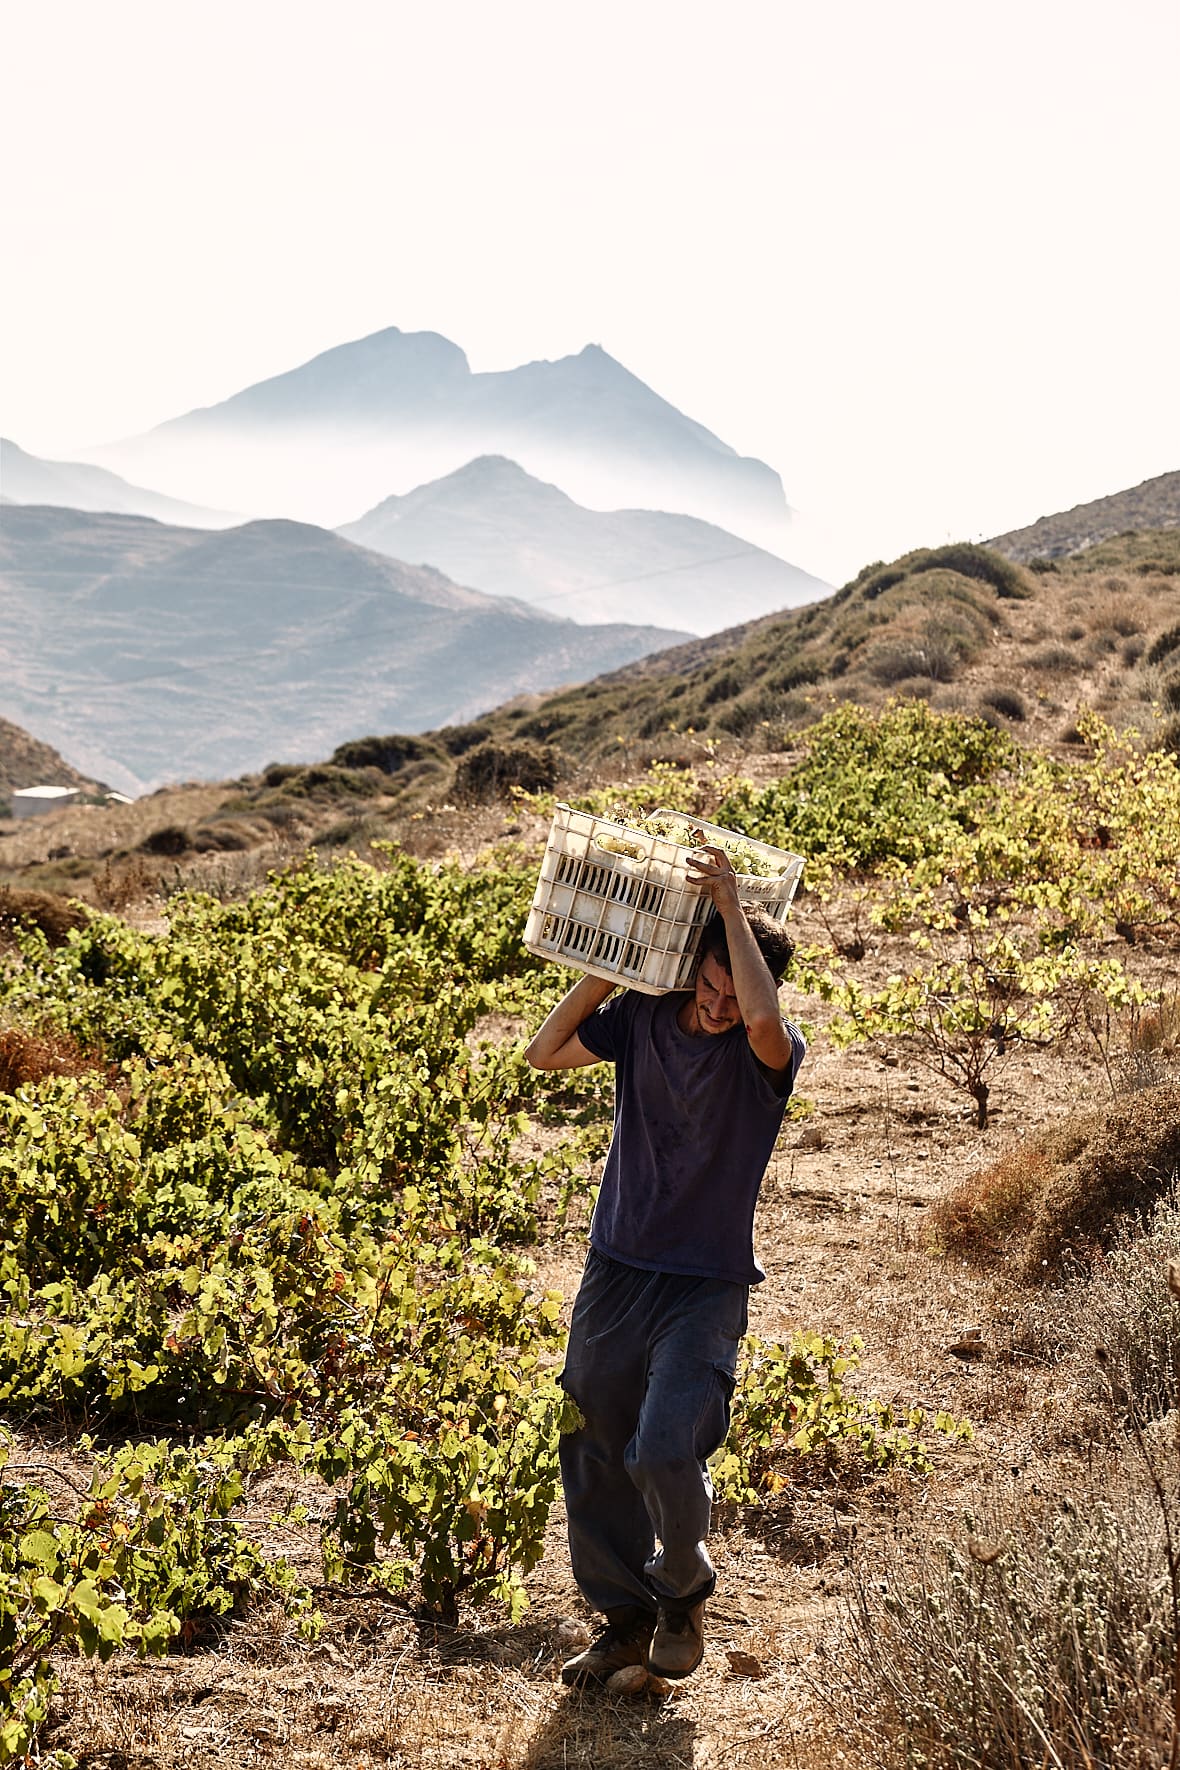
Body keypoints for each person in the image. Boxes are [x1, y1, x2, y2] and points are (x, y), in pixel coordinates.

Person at [525, 844, 806, 1685]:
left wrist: (726, 903)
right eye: (710, 986)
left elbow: (760, 1021)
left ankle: (682, 1595)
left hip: (705, 1283)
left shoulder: (767, 1055)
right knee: (594, 1444)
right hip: (616, 1269)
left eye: (734, 989)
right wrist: (612, 967)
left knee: (662, 1447)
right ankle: (623, 1623)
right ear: (690, 973)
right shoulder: (648, 1019)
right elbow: (546, 1050)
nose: (721, 1006)